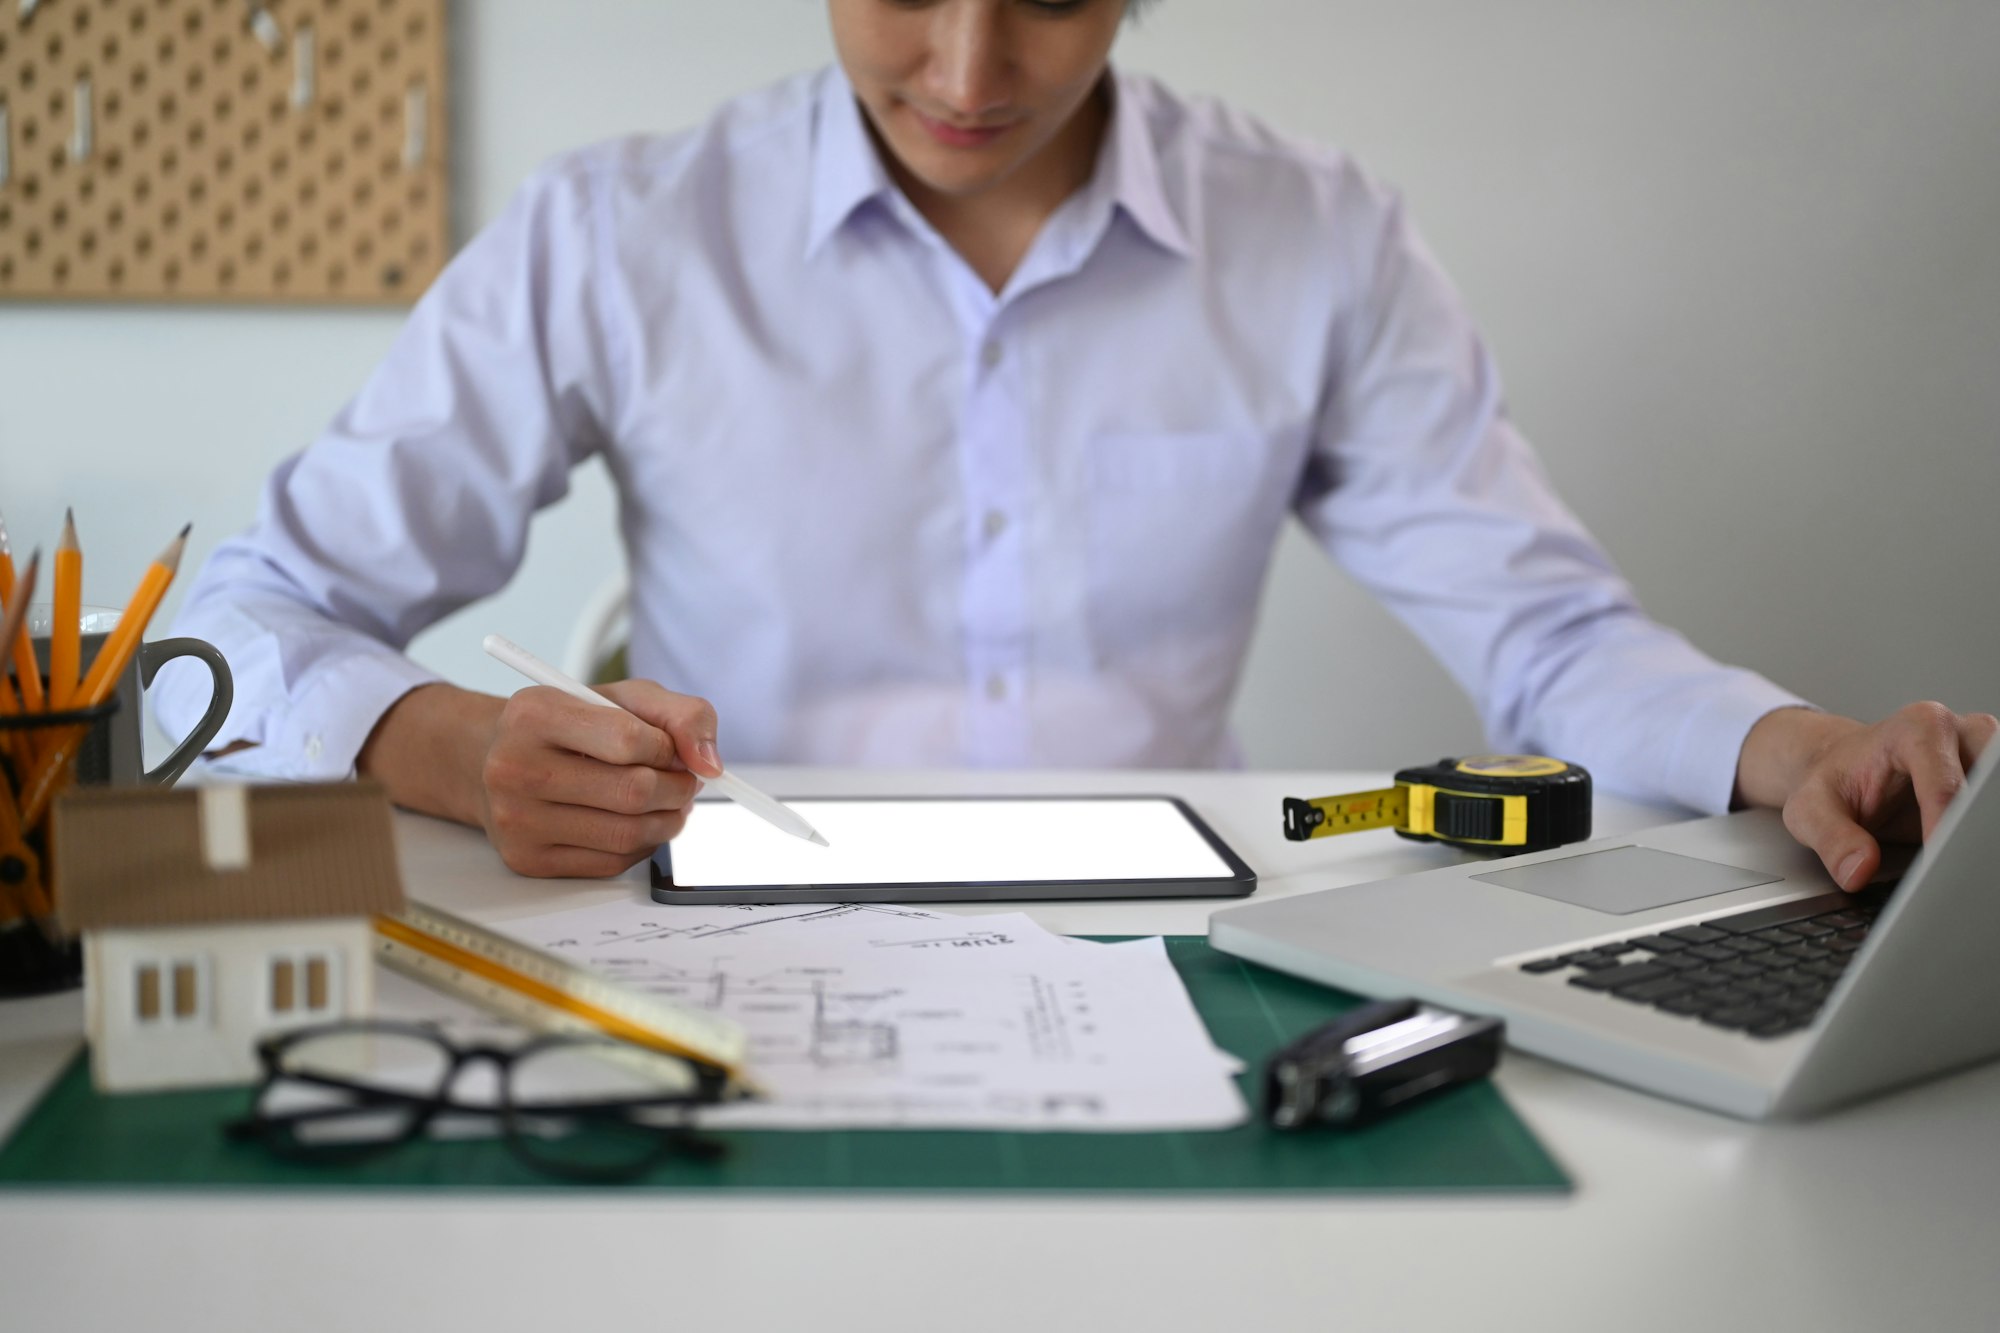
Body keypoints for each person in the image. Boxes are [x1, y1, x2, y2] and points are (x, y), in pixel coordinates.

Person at [159, 0, 1993, 886]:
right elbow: (225, 631)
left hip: (1192, 941)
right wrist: (446, 740)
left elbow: (1551, 635)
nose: (967, 74)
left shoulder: (1319, 237)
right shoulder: (613, 236)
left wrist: (1791, 742)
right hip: (721, 936)